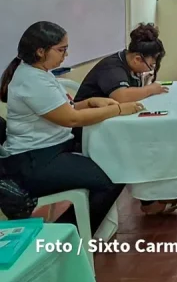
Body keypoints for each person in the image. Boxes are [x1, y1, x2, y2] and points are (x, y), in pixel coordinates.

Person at [0, 21, 144, 235]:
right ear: (40, 51)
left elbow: (65, 109)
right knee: (112, 178)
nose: (65, 55)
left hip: (52, 149)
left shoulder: (41, 73)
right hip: (35, 161)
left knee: (113, 159)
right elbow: (71, 119)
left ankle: (71, 233)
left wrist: (91, 102)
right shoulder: (31, 81)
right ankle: (67, 237)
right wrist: (120, 110)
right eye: (61, 50)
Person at [74, 23, 176, 215]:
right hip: (86, 129)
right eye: (150, 65)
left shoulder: (128, 63)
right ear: (138, 58)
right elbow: (121, 96)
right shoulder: (112, 67)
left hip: (109, 122)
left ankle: (152, 194)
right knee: (143, 144)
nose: (149, 70)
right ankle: (149, 200)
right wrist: (150, 89)